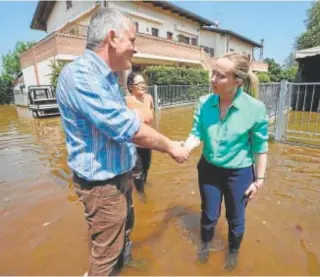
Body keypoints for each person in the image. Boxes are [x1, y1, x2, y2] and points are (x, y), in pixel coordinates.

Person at [56, 8, 189, 276]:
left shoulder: (108, 78)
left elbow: (117, 120)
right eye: (133, 39)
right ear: (112, 37)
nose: (135, 48)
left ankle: (125, 265)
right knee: (105, 256)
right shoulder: (82, 75)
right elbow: (127, 127)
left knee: (125, 229)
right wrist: (172, 146)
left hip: (119, 175)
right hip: (102, 185)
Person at [182, 52, 268, 270]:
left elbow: (260, 148)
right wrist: (184, 148)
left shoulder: (255, 109)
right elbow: (196, 133)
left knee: (236, 218)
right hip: (209, 169)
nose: (212, 80)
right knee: (209, 214)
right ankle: (205, 246)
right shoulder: (204, 102)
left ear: (237, 81)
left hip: (239, 173)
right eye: (213, 73)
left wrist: (259, 180)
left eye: (220, 76)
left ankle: (233, 254)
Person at [126, 72, 153, 201]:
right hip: (133, 142)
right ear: (131, 86)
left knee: (146, 166)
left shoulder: (149, 98)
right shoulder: (127, 101)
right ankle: (141, 194)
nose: (143, 85)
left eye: (143, 82)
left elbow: (150, 115)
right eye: (139, 83)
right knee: (137, 171)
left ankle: (143, 183)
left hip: (147, 141)